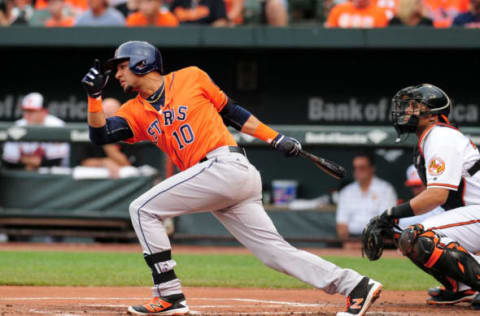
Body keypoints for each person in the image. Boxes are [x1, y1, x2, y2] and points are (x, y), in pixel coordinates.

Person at [81, 41, 382, 316]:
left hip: (226, 165)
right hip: (213, 178)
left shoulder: (190, 77)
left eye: (120, 66)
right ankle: (355, 285)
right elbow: (101, 135)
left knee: (142, 208)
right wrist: (94, 97)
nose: (116, 74)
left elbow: (233, 112)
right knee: (275, 254)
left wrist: (274, 138)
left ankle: (169, 294)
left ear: (142, 63)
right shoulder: (135, 110)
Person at [373, 84, 480, 306]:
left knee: (421, 236)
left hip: (477, 212)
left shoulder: (440, 135)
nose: (407, 111)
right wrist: (391, 219)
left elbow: (437, 196)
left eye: (414, 106)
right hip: (472, 214)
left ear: (432, 115)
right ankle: (462, 287)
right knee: (399, 229)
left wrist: (390, 212)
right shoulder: (432, 137)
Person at [336, 152, 397, 243]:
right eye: (355, 168)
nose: (358, 171)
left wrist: (368, 244)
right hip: (351, 240)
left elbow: (385, 223)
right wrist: (347, 243)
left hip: (377, 240)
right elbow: (341, 225)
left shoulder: (386, 189)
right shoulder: (346, 191)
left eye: (362, 168)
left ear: (372, 168)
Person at [2, 92, 70, 170]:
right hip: (22, 175)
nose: (27, 115)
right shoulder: (17, 126)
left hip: (53, 176)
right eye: (25, 110)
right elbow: (9, 160)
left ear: (44, 112)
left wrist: (23, 159)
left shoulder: (57, 126)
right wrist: (34, 162)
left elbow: (55, 161)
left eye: (31, 111)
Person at [79, 98, 132, 179]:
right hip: (93, 180)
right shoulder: (91, 131)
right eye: (103, 114)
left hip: (123, 181)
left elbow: (128, 164)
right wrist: (104, 162)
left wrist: (107, 140)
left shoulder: (128, 131)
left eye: (110, 115)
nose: (106, 119)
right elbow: (83, 162)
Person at [398, 164, 443, 229]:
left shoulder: (443, 204)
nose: (416, 190)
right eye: (414, 186)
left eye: (419, 186)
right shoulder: (407, 207)